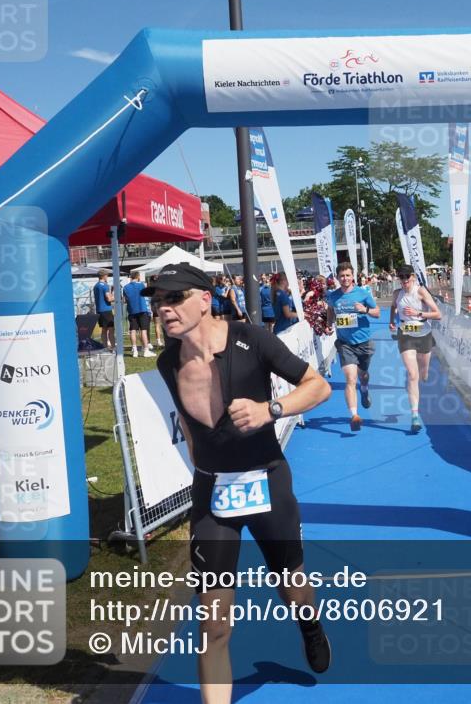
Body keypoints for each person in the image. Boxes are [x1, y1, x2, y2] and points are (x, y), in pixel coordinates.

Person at [146, 263, 332, 701]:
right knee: (213, 624)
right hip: (213, 495)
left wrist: (272, 410)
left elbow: (317, 386)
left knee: (290, 584)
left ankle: (309, 624)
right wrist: (207, 471)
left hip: (267, 481)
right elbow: (191, 433)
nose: (163, 309)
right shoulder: (166, 361)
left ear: (205, 299)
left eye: (174, 299)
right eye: (158, 303)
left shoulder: (254, 339)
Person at [326, 262, 381, 432]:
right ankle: (354, 415)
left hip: (363, 342)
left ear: (353, 276)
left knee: (363, 375)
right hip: (345, 344)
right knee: (350, 378)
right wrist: (329, 324)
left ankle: (364, 389)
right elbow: (330, 310)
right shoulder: (333, 296)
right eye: (342, 276)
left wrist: (364, 310)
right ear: (337, 277)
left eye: (348, 275)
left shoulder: (362, 293)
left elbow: (377, 313)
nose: (345, 279)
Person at [388, 265, 442, 433]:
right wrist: (391, 321)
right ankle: (414, 415)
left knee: (424, 374)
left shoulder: (421, 292)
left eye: (406, 277)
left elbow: (438, 314)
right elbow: (393, 306)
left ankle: (423, 376)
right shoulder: (397, 293)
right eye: (401, 277)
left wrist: (419, 314)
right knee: (413, 375)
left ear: (412, 277)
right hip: (405, 334)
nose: (404, 281)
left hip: (423, 333)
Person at [123, 271, 155, 358]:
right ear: (138, 277)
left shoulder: (125, 287)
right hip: (142, 310)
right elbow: (147, 296)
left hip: (132, 311)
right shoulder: (141, 285)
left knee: (132, 330)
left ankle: (135, 351)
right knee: (143, 330)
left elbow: (125, 300)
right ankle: (146, 350)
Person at [93, 269, 115, 350]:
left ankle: (105, 347)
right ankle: (113, 347)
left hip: (99, 310)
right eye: (107, 275)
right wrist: (114, 295)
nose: (107, 277)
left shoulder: (96, 286)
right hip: (106, 310)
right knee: (111, 329)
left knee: (104, 330)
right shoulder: (105, 285)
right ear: (104, 276)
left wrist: (111, 291)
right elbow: (109, 299)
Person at [148, 275, 165, 348]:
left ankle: (159, 341)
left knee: (157, 325)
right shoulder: (161, 287)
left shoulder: (151, 289)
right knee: (162, 325)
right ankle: (160, 340)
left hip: (156, 307)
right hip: (160, 307)